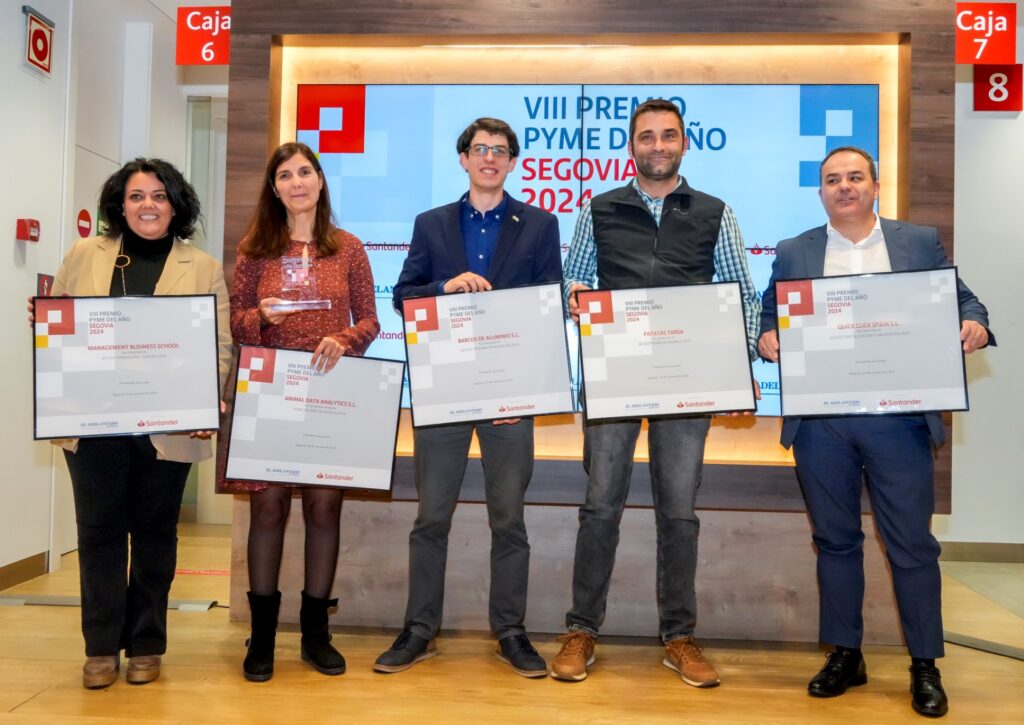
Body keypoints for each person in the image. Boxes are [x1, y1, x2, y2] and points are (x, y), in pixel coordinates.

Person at [757, 146, 993, 718]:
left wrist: (974, 322)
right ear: (820, 193)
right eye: (832, 179)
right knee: (835, 541)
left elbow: (963, 298)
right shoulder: (794, 250)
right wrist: (766, 337)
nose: (844, 186)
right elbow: (769, 313)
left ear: (875, 185)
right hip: (823, 422)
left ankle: (924, 664)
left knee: (912, 545)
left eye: (855, 177)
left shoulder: (917, 242)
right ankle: (846, 654)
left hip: (899, 418)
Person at [553, 99, 761, 686]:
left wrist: (738, 366)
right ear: (632, 147)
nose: (658, 146)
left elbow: (741, 293)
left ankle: (679, 636)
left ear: (684, 144)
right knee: (600, 507)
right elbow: (575, 277)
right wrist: (575, 295)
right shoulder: (599, 208)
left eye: (668, 135)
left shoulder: (715, 211)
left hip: (687, 381)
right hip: (614, 377)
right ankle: (581, 629)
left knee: (679, 512)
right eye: (647, 137)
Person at [27, 158, 232, 689]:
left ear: (176, 205)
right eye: (137, 196)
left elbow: (219, 347)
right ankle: (99, 647)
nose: (148, 205)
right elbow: (63, 325)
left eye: (159, 196)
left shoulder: (202, 267)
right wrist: (46, 321)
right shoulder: (84, 254)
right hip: (93, 422)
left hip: (167, 427)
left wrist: (203, 402)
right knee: (98, 535)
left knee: (156, 537)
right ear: (120, 205)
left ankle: (146, 644)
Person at [374, 118, 561, 678]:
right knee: (431, 518)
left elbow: (549, 304)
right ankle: (419, 630)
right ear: (463, 158)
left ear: (512, 162)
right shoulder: (431, 224)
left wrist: (523, 388)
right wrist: (444, 289)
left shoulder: (540, 224)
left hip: (509, 394)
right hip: (445, 390)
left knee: (509, 520)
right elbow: (403, 298)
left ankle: (510, 631)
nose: (489, 158)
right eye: (480, 149)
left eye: (500, 150)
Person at [219, 142, 380, 682]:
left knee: (324, 509)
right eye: (285, 175)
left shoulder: (349, 248)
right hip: (270, 389)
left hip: (330, 391)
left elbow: (371, 321)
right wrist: (262, 317)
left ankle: (316, 635)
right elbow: (236, 322)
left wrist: (344, 338)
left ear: (320, 180)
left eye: (305, 172)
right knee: (267, 510)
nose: (297, 183)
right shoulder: (255, 250)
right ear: (274, 188)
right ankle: (262, 636)